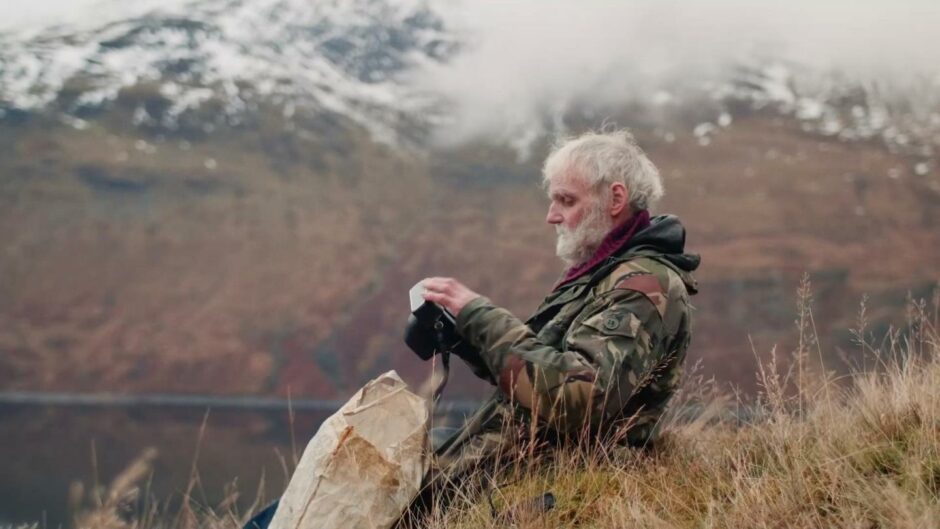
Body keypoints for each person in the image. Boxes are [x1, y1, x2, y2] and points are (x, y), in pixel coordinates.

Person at [415, 128, 700, 511]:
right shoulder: (597, 274)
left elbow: (579, 398)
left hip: (553, 490)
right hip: (513, 472)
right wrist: (463, 335)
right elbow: (541, 376)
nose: (552, 216)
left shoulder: (643, 286)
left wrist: (481, 316)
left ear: (615, 198)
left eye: (566, 200)